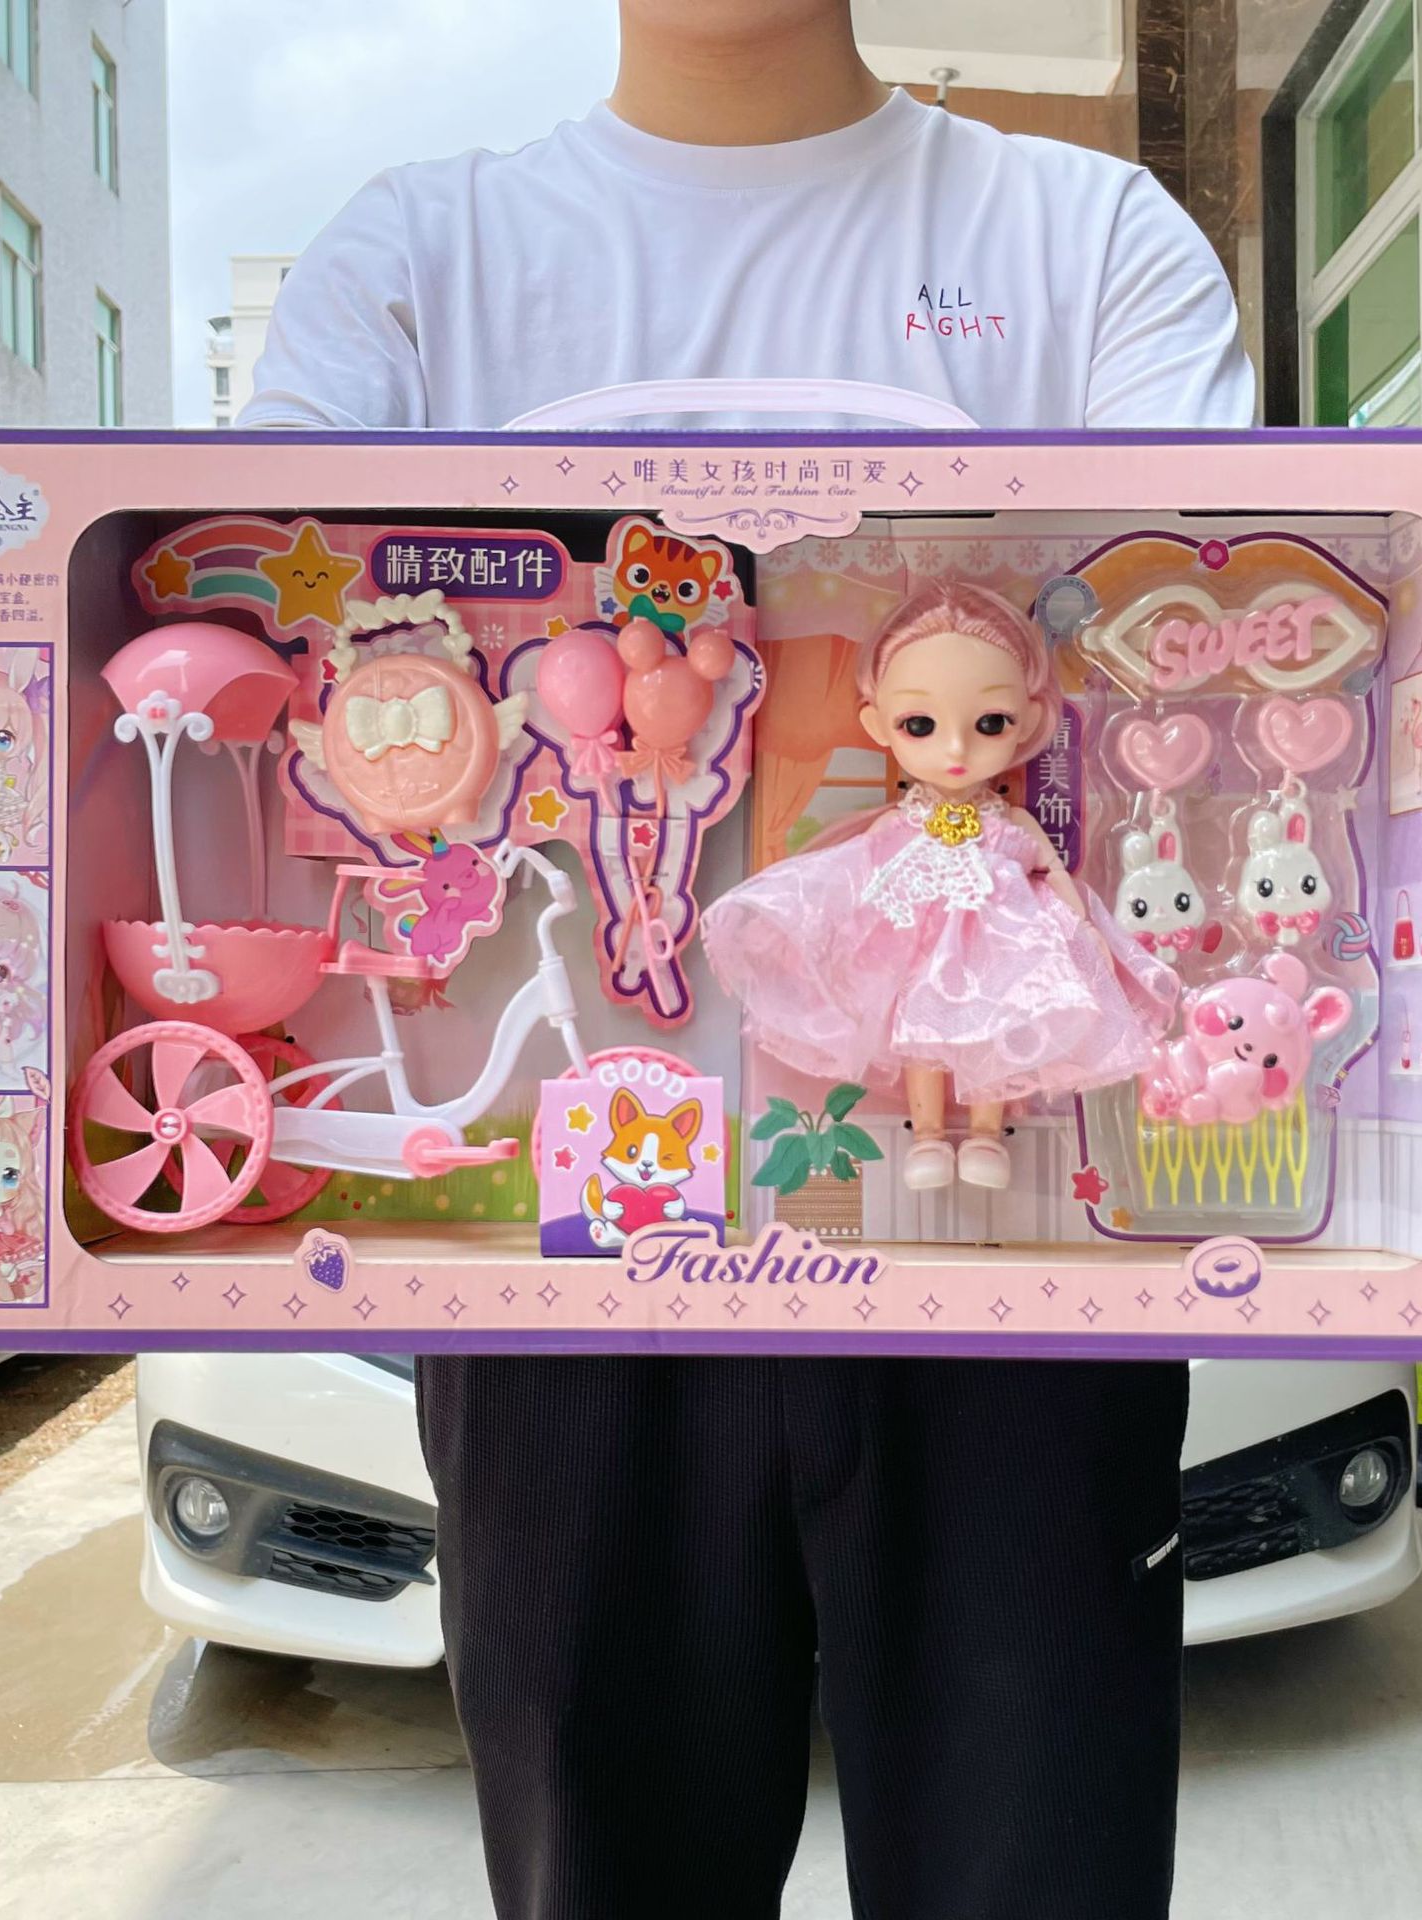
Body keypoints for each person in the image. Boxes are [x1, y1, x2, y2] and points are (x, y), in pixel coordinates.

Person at [239, 7, 1235, 1916]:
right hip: (564, 1278)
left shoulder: (1088, 239)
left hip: (1018, 1277)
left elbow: (1197, 653)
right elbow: (305, 675)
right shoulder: (420, 257)